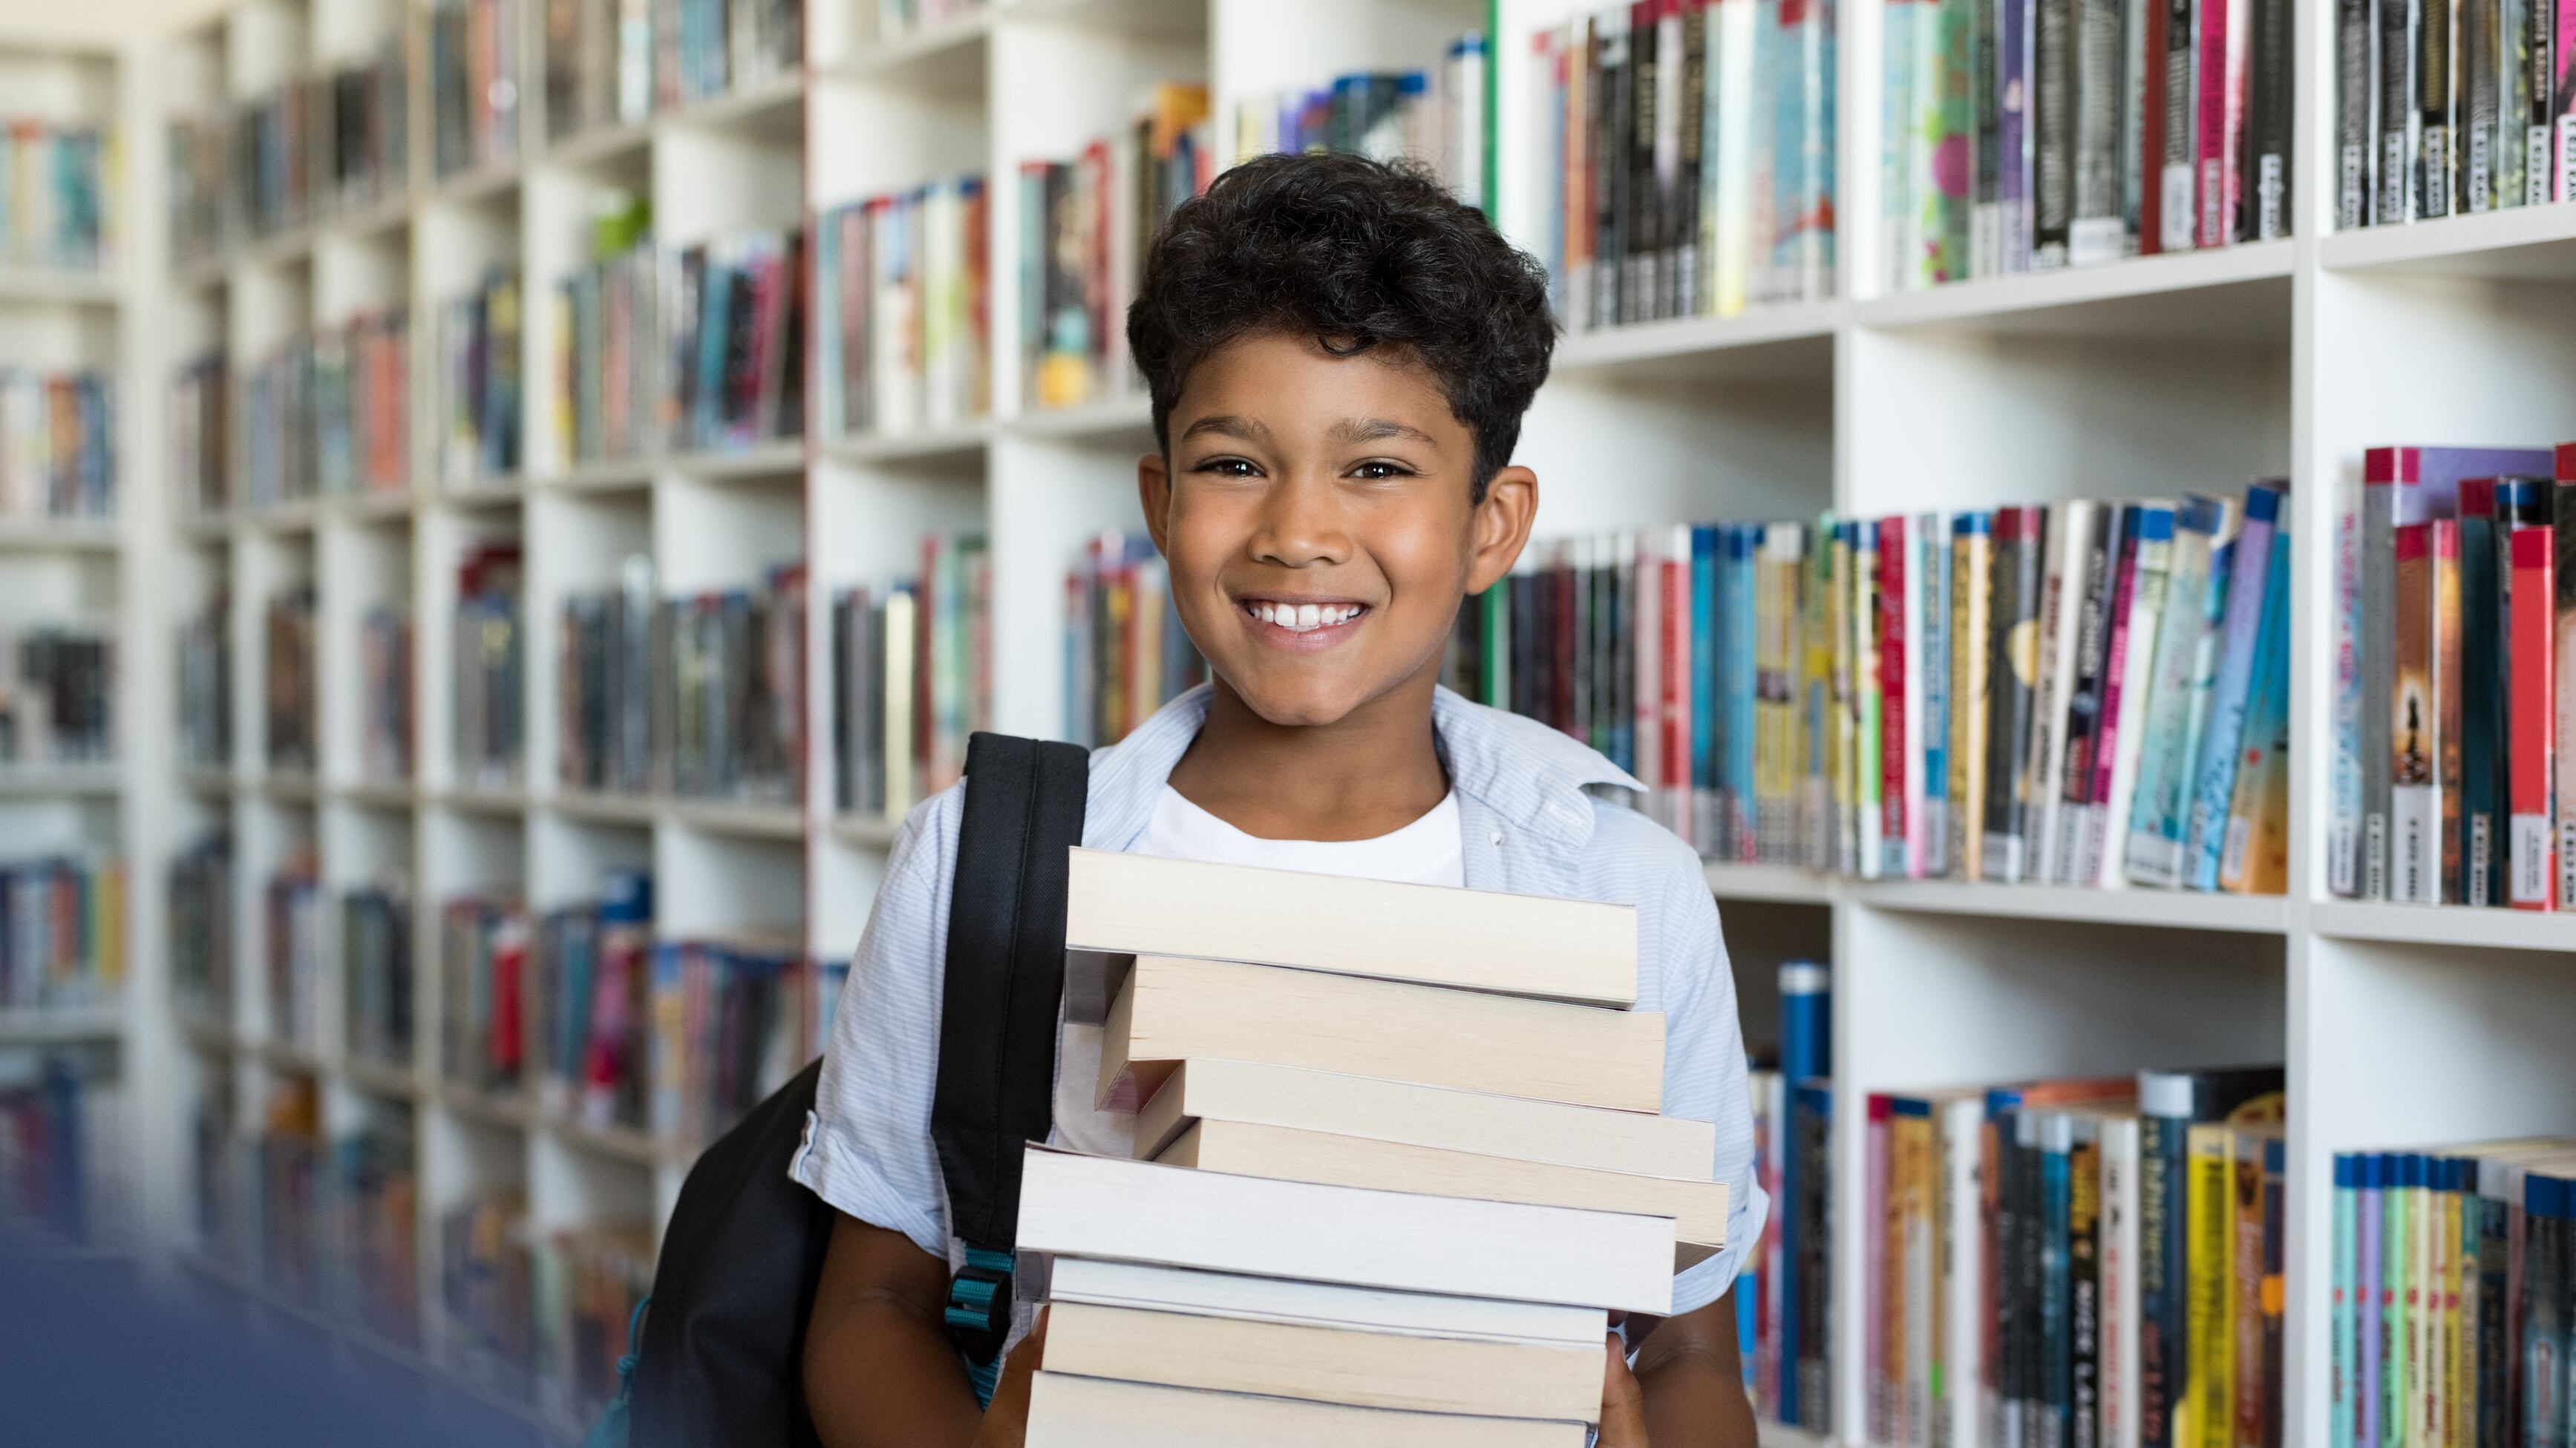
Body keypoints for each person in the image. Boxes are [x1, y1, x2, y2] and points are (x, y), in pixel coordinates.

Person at [792, 149, 1767, 1448]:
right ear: (1161, 501)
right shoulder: (996, 858)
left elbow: (1692, 1347)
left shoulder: (1623, 890)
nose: (1295, 531)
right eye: (1233, 463)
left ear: (1491, 524)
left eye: (1376, 468)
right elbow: (868, 1300)